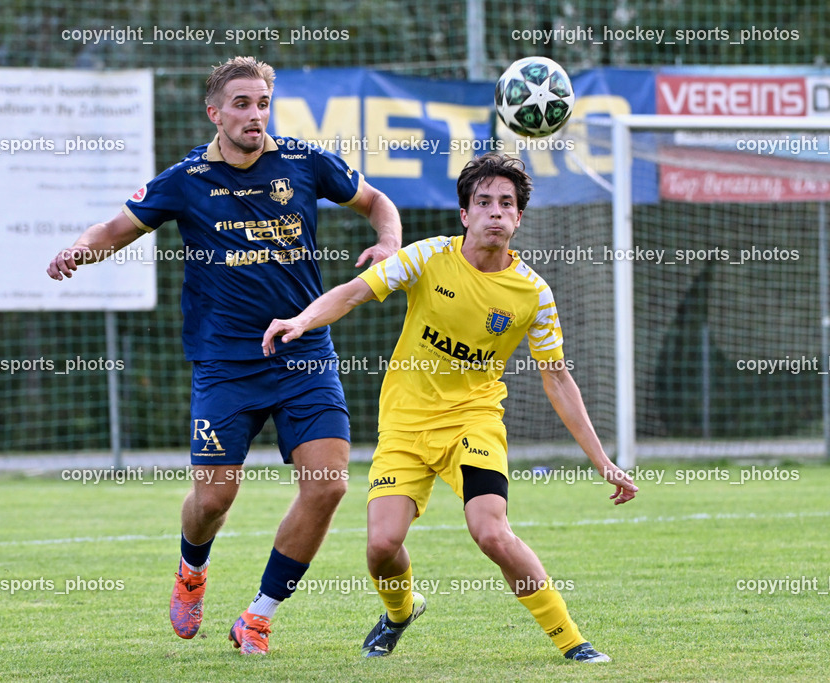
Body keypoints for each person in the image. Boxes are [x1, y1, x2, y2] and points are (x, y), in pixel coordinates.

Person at [46, 56, 401, 655]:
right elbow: (114, 230)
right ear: (215, 113)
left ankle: (258, 615)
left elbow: (376, 202)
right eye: (241, 104)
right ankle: (192, 570)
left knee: (328, 485)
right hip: (225, 365)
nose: (254, 116)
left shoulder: (305, 161)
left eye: (262, 103)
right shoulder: (185, 179)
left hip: (303, 352)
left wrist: (389, 240)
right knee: (213, 500)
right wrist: (77, 251)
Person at [262, 153, 638, 663]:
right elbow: (353, 292)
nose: (495, 212)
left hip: (473, 422)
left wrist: (603, 461)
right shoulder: (428, 257)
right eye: (483, 202)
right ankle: (399, 612)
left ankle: (574, 643)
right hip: (405, 427)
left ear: (519, 218)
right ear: (465, 215)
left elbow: (557, 377)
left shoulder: (533, 294)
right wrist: (302, 320)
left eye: (507, 203)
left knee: (491, 531)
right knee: (380, 546)